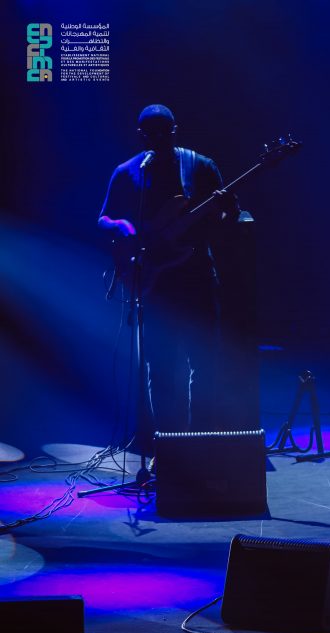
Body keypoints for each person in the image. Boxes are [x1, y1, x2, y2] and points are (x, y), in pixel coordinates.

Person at [98, 104, 234, 456]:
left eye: (165, 132)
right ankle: (169, 448)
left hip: (197, 275)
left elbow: (225, 220)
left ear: (175, 130)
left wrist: (225, 209)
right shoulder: (128, 171)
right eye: (152, 133)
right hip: (155, 283)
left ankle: (202, 445)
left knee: (204, 363)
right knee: (160, 368)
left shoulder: (199, 166)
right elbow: (104, 218)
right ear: (141, 135)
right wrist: (122, 226)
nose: (159, 138)